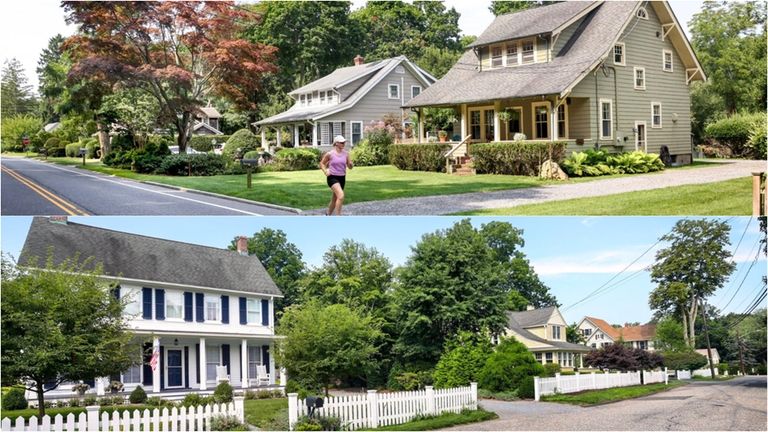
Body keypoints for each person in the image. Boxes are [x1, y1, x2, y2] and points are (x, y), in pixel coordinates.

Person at [319, 135, 353, 215]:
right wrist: (325, 171)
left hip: (342, 178)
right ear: (336, 143)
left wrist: (351, 164)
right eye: (341, 142)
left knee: (335, 198)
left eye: (344, 142)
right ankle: (338, 217)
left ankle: (328, 214)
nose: (343, 143)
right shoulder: (330, 154)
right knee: (341, 196)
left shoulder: (346, 154)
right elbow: (322, 163)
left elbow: (349, 166)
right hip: (332, 177)